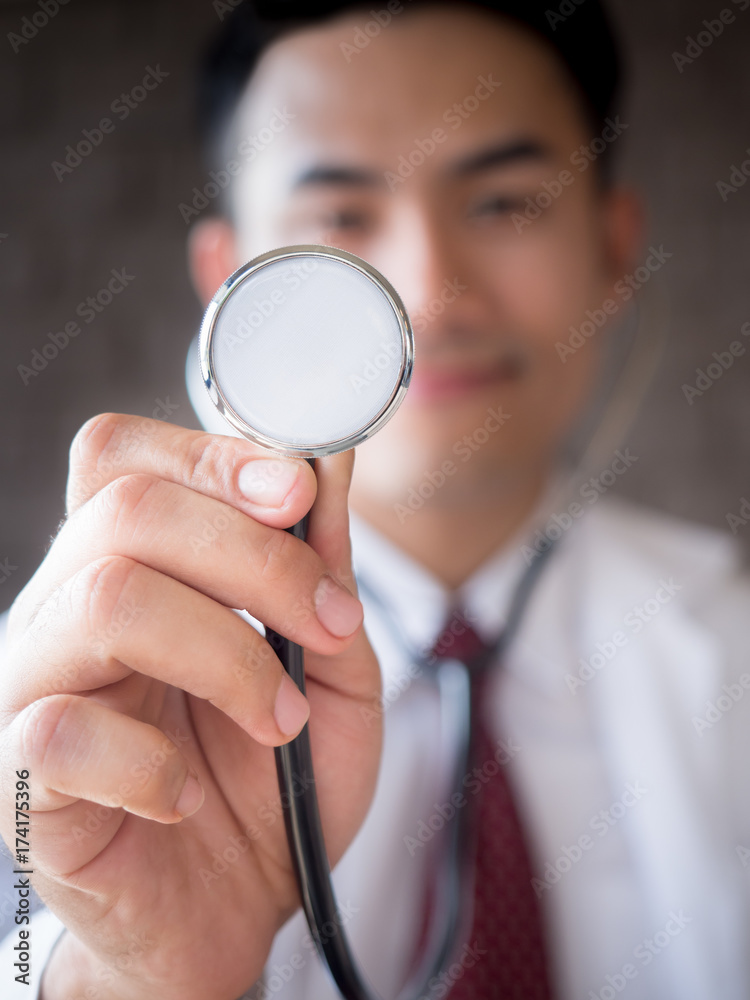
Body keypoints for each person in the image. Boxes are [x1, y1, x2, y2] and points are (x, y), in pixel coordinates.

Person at [1, 1, 748, 998]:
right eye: (339, 219)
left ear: (615, 248)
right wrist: (124, 977)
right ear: (233, 285)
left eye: (504, 202)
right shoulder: (49, 728)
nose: (430, 296)